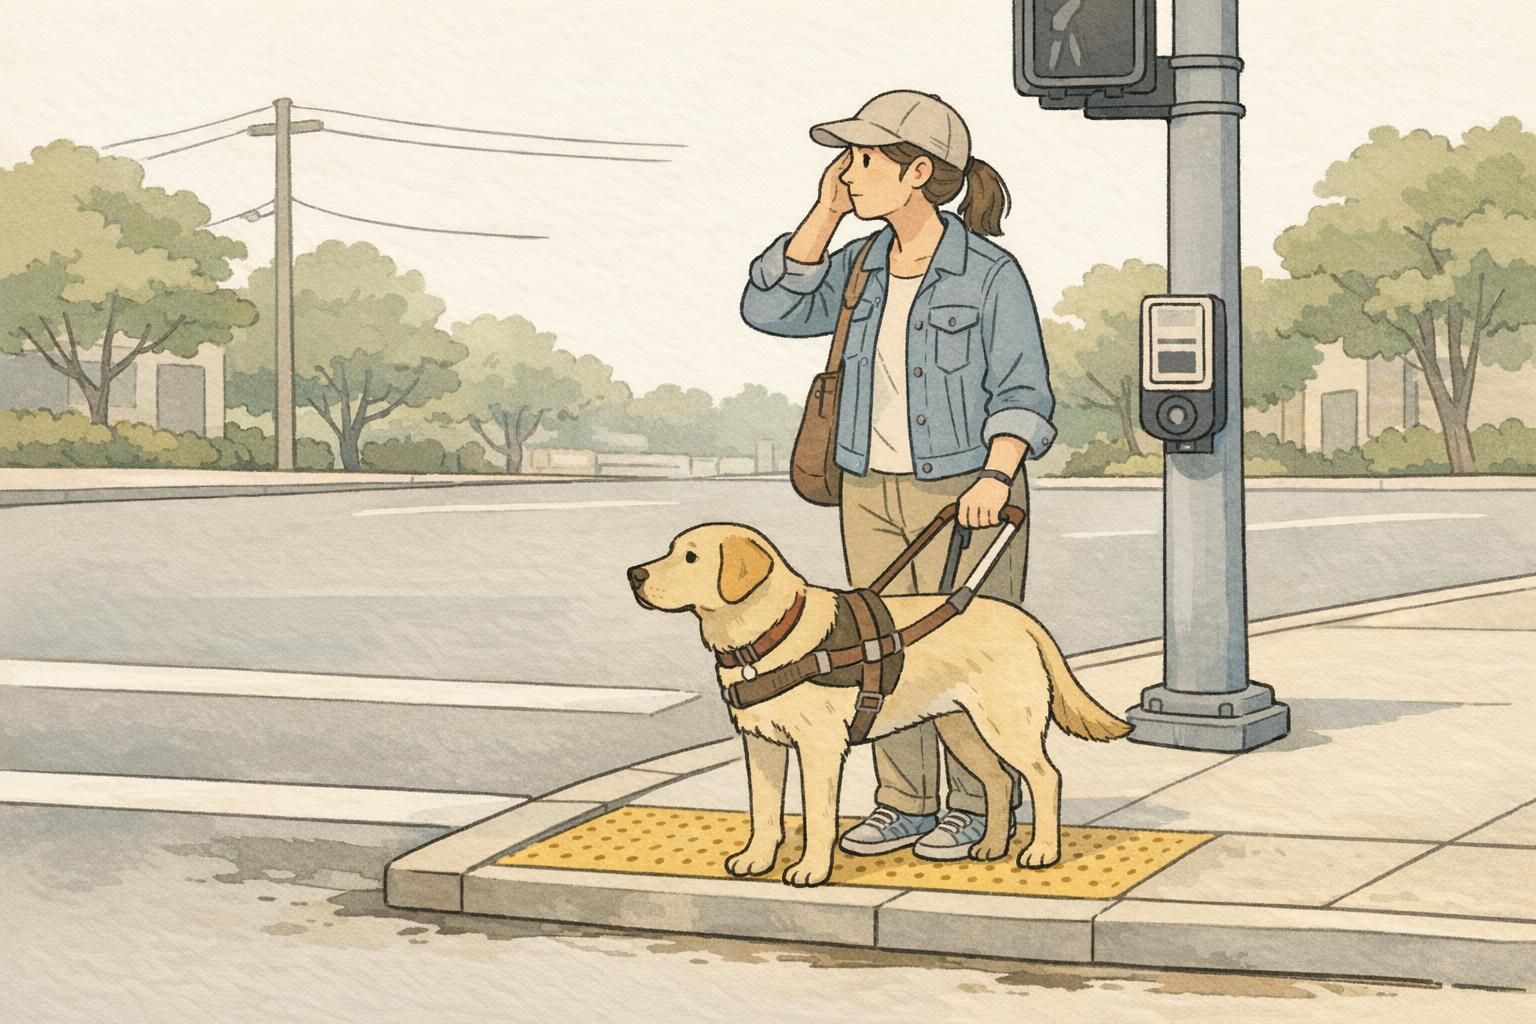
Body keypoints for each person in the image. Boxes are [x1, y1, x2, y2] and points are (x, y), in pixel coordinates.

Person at [739, 90, 1057, 861]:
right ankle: (905, 803)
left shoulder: (987, 271)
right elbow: (768, 308)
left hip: (966, 491)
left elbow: (1024, 391)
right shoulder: (860, 265)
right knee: (875, 650)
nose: (845, 173)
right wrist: (822, 217)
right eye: (844, 159)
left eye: (863, 159)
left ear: (918, 172)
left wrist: (995, 475)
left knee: (957, 652)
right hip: (865, 487)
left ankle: (983, 807)